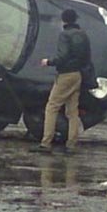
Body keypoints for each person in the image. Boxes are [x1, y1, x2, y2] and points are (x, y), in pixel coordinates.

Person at [31, 9, 90, 154]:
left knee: (52, 106)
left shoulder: (64, 35)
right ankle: (71, 144)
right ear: (75, 19)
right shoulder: (83, 35)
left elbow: (62, 56)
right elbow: (86, 57)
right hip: (78, 75)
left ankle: (46, 143)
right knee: (72, 111)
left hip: (65, 75)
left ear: (63, 20)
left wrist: (49, 62)